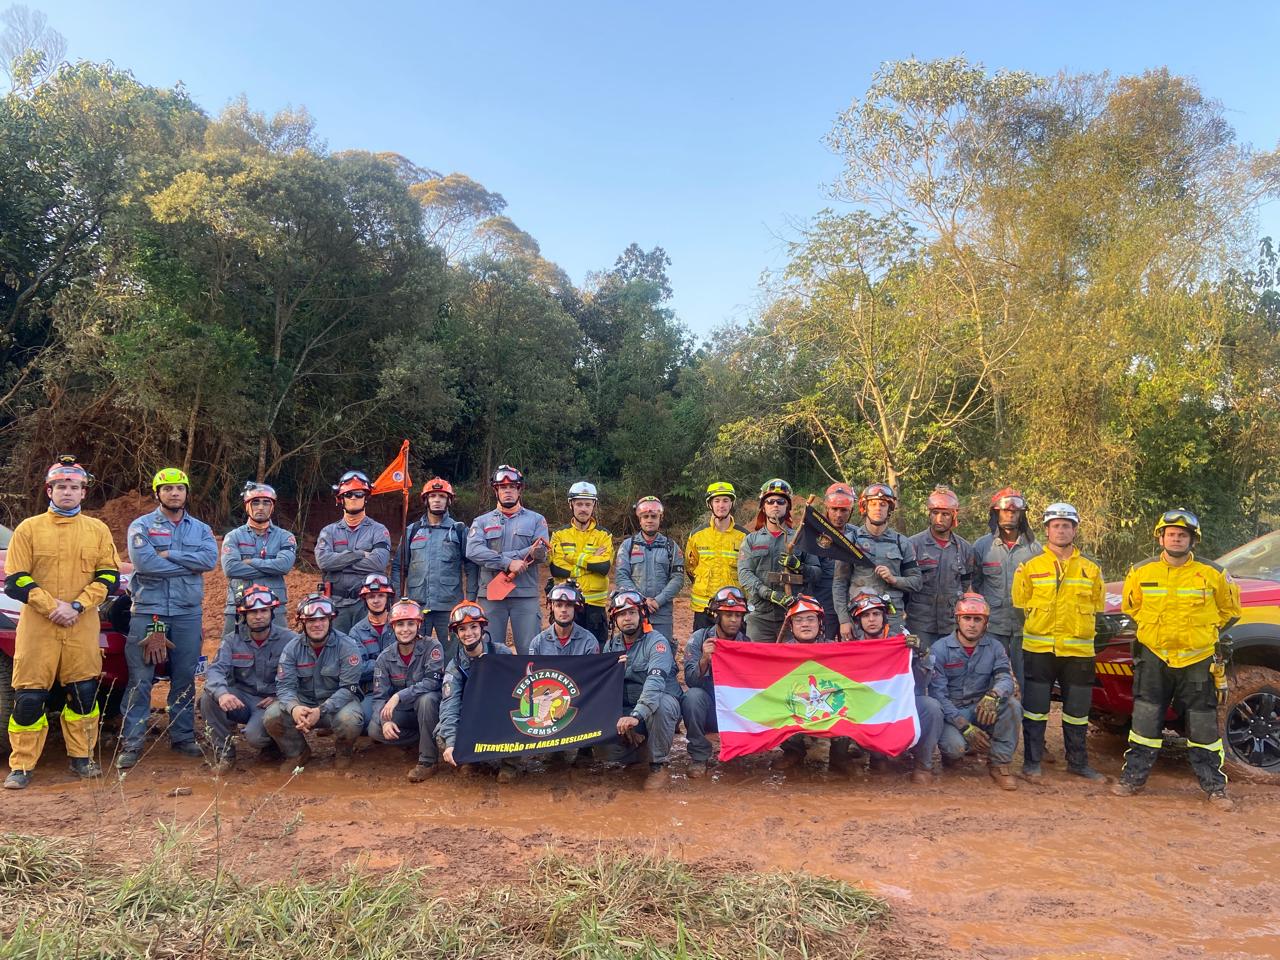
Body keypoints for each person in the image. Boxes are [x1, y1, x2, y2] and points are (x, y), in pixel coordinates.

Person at [3, 457, 119, 789]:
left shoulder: (97, 530)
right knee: (29, 698)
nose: (67, 492)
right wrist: (52, 606)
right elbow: (16, 580)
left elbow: (109, 576)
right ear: (49, 490)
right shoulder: (28, 528)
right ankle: (22, 766)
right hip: (39, 626)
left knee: (83, 693)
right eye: (60, 487)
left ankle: (82, 759)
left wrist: (79, 605)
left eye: (74, 487)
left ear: (83, 492)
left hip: (82, 624)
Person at [1112, 510, 1241, 807]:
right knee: (1145, 721)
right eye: (1170, 533)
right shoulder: (1141, 571)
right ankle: (1133, 779)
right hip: (1154, 658)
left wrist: (1201, 633)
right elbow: (1132, 607)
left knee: (1203, 726)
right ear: (1161, 537)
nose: (1176, 538)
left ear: (1193, 540)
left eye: (1183, 535)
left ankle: (1214, 787)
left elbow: (1230, 611)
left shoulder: (1214, 574)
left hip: (1197, 660)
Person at [118, 467, 218, 770]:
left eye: (180, 488)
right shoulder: (142, 525)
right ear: (157, 493)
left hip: (188, 612)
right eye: (168, 489)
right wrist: (187, 563)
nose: (174, 493)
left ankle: (183, 737)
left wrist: (168, 554)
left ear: (187, 493)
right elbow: (144, 564)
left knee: (185, 677)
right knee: (141, 679)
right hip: (150, 611)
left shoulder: (200, 529)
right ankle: (132, 743)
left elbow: (209, 560)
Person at [1011, 502, 1106, 782]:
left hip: (1078, 652)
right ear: (1047, 530)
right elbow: (1019, 607)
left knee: (1077, 712)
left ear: (1075, 530)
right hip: (1039, 650)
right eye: (1056, 525)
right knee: (1036, 709)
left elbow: (1098, 608)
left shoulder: (1091, 569)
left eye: (1066, 525)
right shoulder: (1029, 566)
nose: (1061, 530)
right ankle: (1032, 763)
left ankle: (1078, 762)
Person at [846, 589, 943, 784]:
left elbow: (923, 682)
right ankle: (874, 756)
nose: (871, 619)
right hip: (869, 707)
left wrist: (921, 653)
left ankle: (923, 764)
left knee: (932, 707)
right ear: (858, 621)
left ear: (884, 617)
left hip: (902, 703)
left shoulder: (902, 642)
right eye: (865, 615)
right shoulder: (850, 647)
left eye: (876, 614)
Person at [928, 593, 1022, 791]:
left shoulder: (995, 647)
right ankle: (953, 756)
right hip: (953, 712)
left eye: (977, 619)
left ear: (986, 622)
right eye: (967, 618)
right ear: (958, 620)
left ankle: (1000, 764)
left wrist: (994, 695)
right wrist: (964, 727)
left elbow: (1005, 678)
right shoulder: (940, 648)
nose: (972, 624)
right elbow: (938, 695)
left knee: (1012, 705)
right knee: (955, 748)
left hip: (982, 708)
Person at [199, 585, 296, 774]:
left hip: (272, 701)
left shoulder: (289, 639)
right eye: (252, 612)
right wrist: (222, 694)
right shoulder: (231, 640)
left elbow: (302, 676)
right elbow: (216, 670)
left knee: (255, 737)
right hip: (243, 698)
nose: (258, 616)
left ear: (272, 612)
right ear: (243, 615)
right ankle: (225, 754)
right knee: (208, 698)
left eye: (263, 611)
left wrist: (279, 697)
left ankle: (273, 746)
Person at [263, 594, 365, 770]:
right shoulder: (292, 648)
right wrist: (294, 708)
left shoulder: (347, 646)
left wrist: (322, 709)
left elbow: (349, 688)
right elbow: (284, 685)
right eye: (311, 620)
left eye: (322, 619)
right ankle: (297, 752)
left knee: (351, 720)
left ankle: (344, 751)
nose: (317, 624)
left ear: (330, 620)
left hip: (336, 704)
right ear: (302, 622)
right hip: (304, 704)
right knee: (272, 717)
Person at [601, 590, 682, 791]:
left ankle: (658, 765)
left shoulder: (657, 642)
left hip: (657, 704)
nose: (627, 618)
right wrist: (619, 716)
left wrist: (636, 715)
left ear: (641, 615)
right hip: (630, 708)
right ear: (614, 620)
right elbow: (605, 689)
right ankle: (641, 749)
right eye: (621, 614)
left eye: (632, 613)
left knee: (661, 706)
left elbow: (655, 683)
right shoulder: (611, 646)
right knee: (608, 752)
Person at [466, 464, 549, 655]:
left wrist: (501, 557)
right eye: (503, 488)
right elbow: (473, 551)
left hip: (525, 595)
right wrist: (508, 562)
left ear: (519, 490)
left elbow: (540, 552)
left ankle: (528, 686)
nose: (508, 491)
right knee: (489, 650)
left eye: (512, 487)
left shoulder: (536, 520)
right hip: (491, 595)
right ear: (496, 491)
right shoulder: (482, 521)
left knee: (530, 651)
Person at [390, 477, 478, 656]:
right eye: (432, 496)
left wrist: (469, 600)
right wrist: (398, 600)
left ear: (449, 500)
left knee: (453, 653)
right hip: (417, 605)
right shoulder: (412, 531)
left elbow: (471, 566)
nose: (437, 500)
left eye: (442, 496)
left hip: (449, 606)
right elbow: (399, 567)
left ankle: (452, 683)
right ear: (426, 500)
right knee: (417, 652)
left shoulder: (459, 530)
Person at [436, 600, 518, 781]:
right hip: (471, 719)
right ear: (456, 634)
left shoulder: (501, 653)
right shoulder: (455, 667)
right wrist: (451, 743)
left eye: (473, 627)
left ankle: (510, 764)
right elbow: (449, 705)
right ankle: (471, 760)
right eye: (462, 629)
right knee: (442, 735)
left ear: (482, 628)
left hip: (500, 716)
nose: (469, 633)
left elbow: (518, 689)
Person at [366, 598, 446, 782]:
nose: (405, 629)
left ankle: (428, 761)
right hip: (406, 713)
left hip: (429, 709)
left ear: (419, 625)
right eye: (400, 624)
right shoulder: (385, 657)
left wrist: (398, 696)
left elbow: (433, 682)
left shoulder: (432, 647)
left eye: (411, 624)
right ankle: (423, 739)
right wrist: (385, 721)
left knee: (426, 699)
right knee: (375, 729)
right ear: (393, 627)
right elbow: (379, 697)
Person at [971, 486, 1042, 691]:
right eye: (1005, 510)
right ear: (996, 513)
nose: (1010, 514)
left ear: (1021, 514)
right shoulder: (982, 546)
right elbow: (974, 584)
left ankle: (1025, 721)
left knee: (1026, 679)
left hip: (1025, 628)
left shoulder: (1035, 549)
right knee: (989, 676)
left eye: (1014, 511)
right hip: (991, 627)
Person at [833, 483, 922, 638]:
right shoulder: (850, 541)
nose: (878, 508)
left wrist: (894, 580)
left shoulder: (901, 543)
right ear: (864, 507)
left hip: (892, 618)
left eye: (883, 504)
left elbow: (916, 582)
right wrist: (843, 620)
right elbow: (839, 583)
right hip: (859, 616)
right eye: (873, 504)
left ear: (890, 509)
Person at [738, 479, 819, 642]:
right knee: (756, 662)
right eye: (770, 501)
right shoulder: (751, 540)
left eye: (781, 501)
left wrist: (798, 566)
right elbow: (744, 574)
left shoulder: (800, 538)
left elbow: (817, 573)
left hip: (793, 614)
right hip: (760, 616)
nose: (775, 505)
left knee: (792, 664)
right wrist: (769, 593)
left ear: (787, 506)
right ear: (763, 506)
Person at [681, 586, 748, 778]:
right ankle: (699, 757)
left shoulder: (747, 644)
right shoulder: (699, 638)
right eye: (728, 615)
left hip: (734, 709)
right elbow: (690, 680)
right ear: (717, 615)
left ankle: (739, 749)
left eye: (738, 615)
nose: (734, 620)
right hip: (710, 708)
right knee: (692, 697)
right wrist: (704, 660)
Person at [316, 470, 393, 633]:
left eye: (359, 494)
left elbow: (378, 563)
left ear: (366, 498)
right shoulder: (328, 531)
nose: (353, 498)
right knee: (337, 650)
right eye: (349, 494)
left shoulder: (378, 530)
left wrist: (338, 562)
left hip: (367, 604)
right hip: (335, 604)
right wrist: (359, 554)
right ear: (340, 498)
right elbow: (323, 562)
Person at [219, 481, 297, 634]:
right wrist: (271, 568)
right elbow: (231, 568)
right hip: (239, 605)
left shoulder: (285, 536)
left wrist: (251, 562)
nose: (261, 507)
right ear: (247, 506)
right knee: (231, 652)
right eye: (255, 502)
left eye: (266, 503)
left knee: (279, 653)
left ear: (272, 506)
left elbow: (284, 566)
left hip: (274, 606)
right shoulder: (233, 536)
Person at [907, 486, 975, 647]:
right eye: (935, 513)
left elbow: (966, 585)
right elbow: (906, 585)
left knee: (950, 667)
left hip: (951, 624)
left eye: (945, 514)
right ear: (929, 515)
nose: (939, 519)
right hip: (920, 623)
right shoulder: (913, 545)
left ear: (954, 516)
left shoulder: (964, 548)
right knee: (922, 666)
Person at [547, 481, 612, 646]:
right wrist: (590, 561)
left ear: (594, 506)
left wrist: (572, 558)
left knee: (596, 654)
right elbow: (557, 569)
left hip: (595, 607)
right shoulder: (559, 534)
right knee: (566, 653)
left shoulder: (604, 535)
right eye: (579, 504)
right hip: (567, 603)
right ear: (571, 505)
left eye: (588, 504)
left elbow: (603, 567)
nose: (583, 508)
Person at [614, 496, 685, 645]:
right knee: (632, 654)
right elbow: (622, 576)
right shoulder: (627, 546)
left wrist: (658, 601)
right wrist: (641, 600)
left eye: (654, 516)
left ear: (660, 518)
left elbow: (677, 579)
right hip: (633, 612)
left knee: (663, 652)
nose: (649, 520)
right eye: (645, 516)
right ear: (639, 520)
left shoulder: (671, 547)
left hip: (662, 614)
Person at [685, 481, 746, 633]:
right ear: (710, 504)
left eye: (726, 500)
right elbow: (690, 567)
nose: (721, 505)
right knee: (703, 648)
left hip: (733, 607)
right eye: (717, 501)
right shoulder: (697, 535)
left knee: (734, 651)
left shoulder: (744, 536)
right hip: (703, 606)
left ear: (732, 503)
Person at [346, 573, 396, 727]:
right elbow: (359, 669)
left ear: (388, 598)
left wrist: (374, 664)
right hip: (372, 691)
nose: (376, 600)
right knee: (364, 724)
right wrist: (392, 663)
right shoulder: (356, 631)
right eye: (371, 596)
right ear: (364, 600)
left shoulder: (401, 624)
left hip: (401, 688)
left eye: (381, 595)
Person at [814, 482, 857, 641]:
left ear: (851, 511)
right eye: (834, 509)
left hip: (852, 605)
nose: (839, 515)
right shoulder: (814, 534)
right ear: (827, 508)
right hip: (824, 605)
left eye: (844, 510)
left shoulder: (857, 535)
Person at [529, 582, 602, 655]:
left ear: (575, 608)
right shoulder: (538, 644)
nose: (563, 610)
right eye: (559, 605)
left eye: (569, 605)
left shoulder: (589, 642)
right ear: (552, 607)